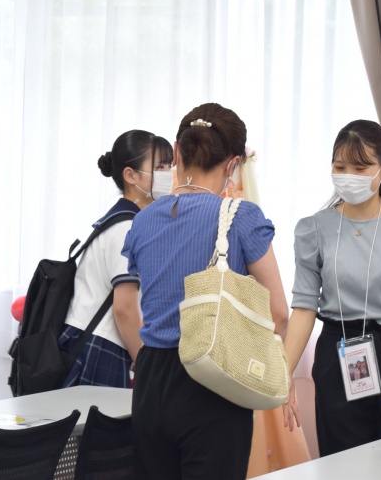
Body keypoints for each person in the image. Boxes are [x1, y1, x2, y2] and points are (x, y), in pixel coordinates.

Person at [122, 102, 290, 479]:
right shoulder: (241, 217)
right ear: (233, 164)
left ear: (177, 152)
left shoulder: (143, 221)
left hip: (151, 382)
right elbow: (279, 313)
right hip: (213, 376)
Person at [282, 119, 381, 456]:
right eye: (340, 167)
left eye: (360, 167)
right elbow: (304, 307)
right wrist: (284, 375)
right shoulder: (315, 229)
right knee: (342, 465)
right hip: (337, 353)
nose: (349, 176)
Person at [58, 130, 173, 389]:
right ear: (130, 175)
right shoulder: (127, 227)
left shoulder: (120, 220)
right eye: (159, 167)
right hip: (100, 345)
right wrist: (144, 364)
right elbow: (124, 308)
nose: (168, 174)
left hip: (89, 338)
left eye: (169, 166)